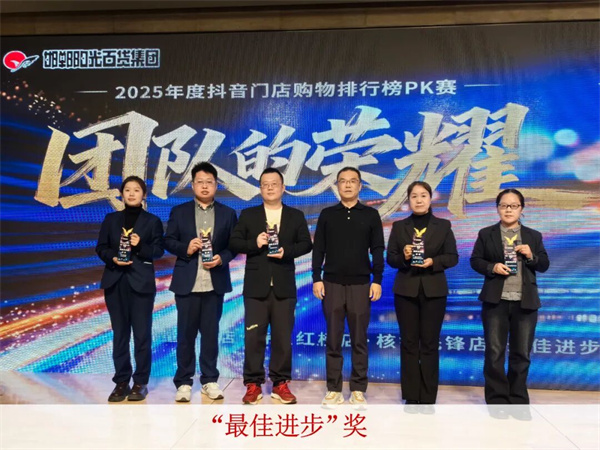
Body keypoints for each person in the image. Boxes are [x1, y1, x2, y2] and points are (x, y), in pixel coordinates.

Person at [229, 167, 312, 405]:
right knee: (253, 337)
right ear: (260, 189)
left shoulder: (295, 215)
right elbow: (234, 242)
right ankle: (253, 383)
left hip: (284, 286)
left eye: (274, 183)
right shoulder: (249, 215)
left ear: (283, 187)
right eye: (265, 184)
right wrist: (254, 243)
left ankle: (280, 383)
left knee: (282, 338)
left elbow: (306, 244)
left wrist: (287, 252)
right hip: (256, 287)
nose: (270, 188)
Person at [470, 188, 549, 419]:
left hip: (525, 302)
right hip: (496, 301)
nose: (508, 210)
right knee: (494, 353)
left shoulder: (533, 236)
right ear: (497, 208)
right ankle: (497, 401)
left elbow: (544, 264)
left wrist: (531, 255)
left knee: (521, 354)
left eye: (514, 206)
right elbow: (475, 260)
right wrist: (492, 267)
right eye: (504, 205)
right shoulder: (486, 233)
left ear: (521, 209)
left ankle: (518, 401)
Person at [165, 162, 238, 403]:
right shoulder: (179, 212)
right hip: (187, 283)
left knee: (210, 335)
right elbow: (168, 241)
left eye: (209, 182)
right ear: (193, 184)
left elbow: (234, 246)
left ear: (216, 185)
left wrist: (222, 258)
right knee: (185, 335)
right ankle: (184, 382)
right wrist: (186, 248)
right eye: (200, 182)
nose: (204, 186)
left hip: (214, 283)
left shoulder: (228, 213)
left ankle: (209, 380)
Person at [312, 167, 384, 406]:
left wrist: (377, 280)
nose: (348, 185)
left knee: (359, 340)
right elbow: (319, 248)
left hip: (361, 284)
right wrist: (316, 278)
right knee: (333, 339)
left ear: (360, 186)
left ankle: (358, 389)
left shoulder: (371, 215)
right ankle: (333, 389)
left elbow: (377, 249)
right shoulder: (327, 214)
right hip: (331, 284)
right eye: (343, 181)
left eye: (353, 181)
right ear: (337, 186)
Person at [386, 181, 458, 409]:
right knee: (408, 343)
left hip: (434, 290)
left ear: (430, 198)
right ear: (408, 200)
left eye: (423, 195)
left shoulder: (443, 226)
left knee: (429, 343)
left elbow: (452, 257)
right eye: (414, 196)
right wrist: (405, 257)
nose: (419, 200)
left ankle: (427, 395)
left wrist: (433, 262)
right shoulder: (399, 227)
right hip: (405, 290)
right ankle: (411, 394)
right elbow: (391, 259)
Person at [96, 176, 164, 402]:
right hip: (115, 282)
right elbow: (101, 247)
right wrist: (113, 258)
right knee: (120, 334)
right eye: (127, 190)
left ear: (144, 195)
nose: (132, 193)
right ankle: (121, 381)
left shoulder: (152, 221)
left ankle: (140, 382)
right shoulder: (111, 219)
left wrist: (140, 245)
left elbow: (158, 251)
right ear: (121, 194)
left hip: (141, 283)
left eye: (136, 190)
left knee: (142, 335)